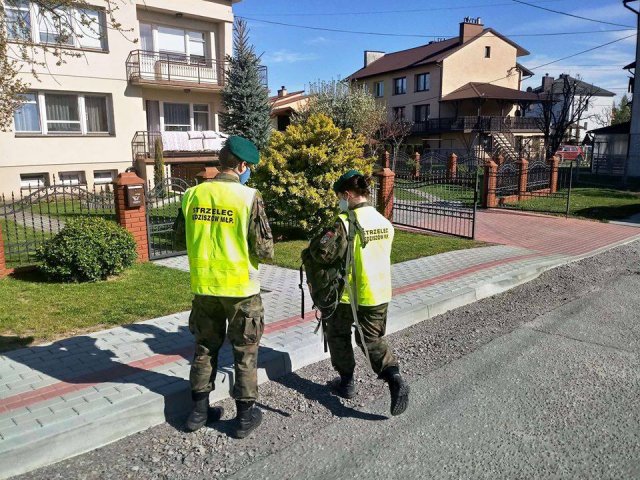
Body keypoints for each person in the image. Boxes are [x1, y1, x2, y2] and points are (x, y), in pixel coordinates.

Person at [181, 136, 273, 438]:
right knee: (245, 351)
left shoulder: (192, 194)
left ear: (222, 162)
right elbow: (263, 249)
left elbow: (176, 237)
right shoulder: (248, 197)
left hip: (205, 287)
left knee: (204, 348)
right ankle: (245, 418)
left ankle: (198, 413)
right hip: (240, 290)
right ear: (243, 165)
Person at [310, 170, 409, 416]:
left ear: (347, 194)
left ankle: (347, 383)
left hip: (347, 295)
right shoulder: (384, 222)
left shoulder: (343, 223)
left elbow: (321, 252)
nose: (339, 203)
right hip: (378, 293)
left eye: (339, 198)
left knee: (338, 336)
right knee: (372, 340)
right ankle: (394, 377)